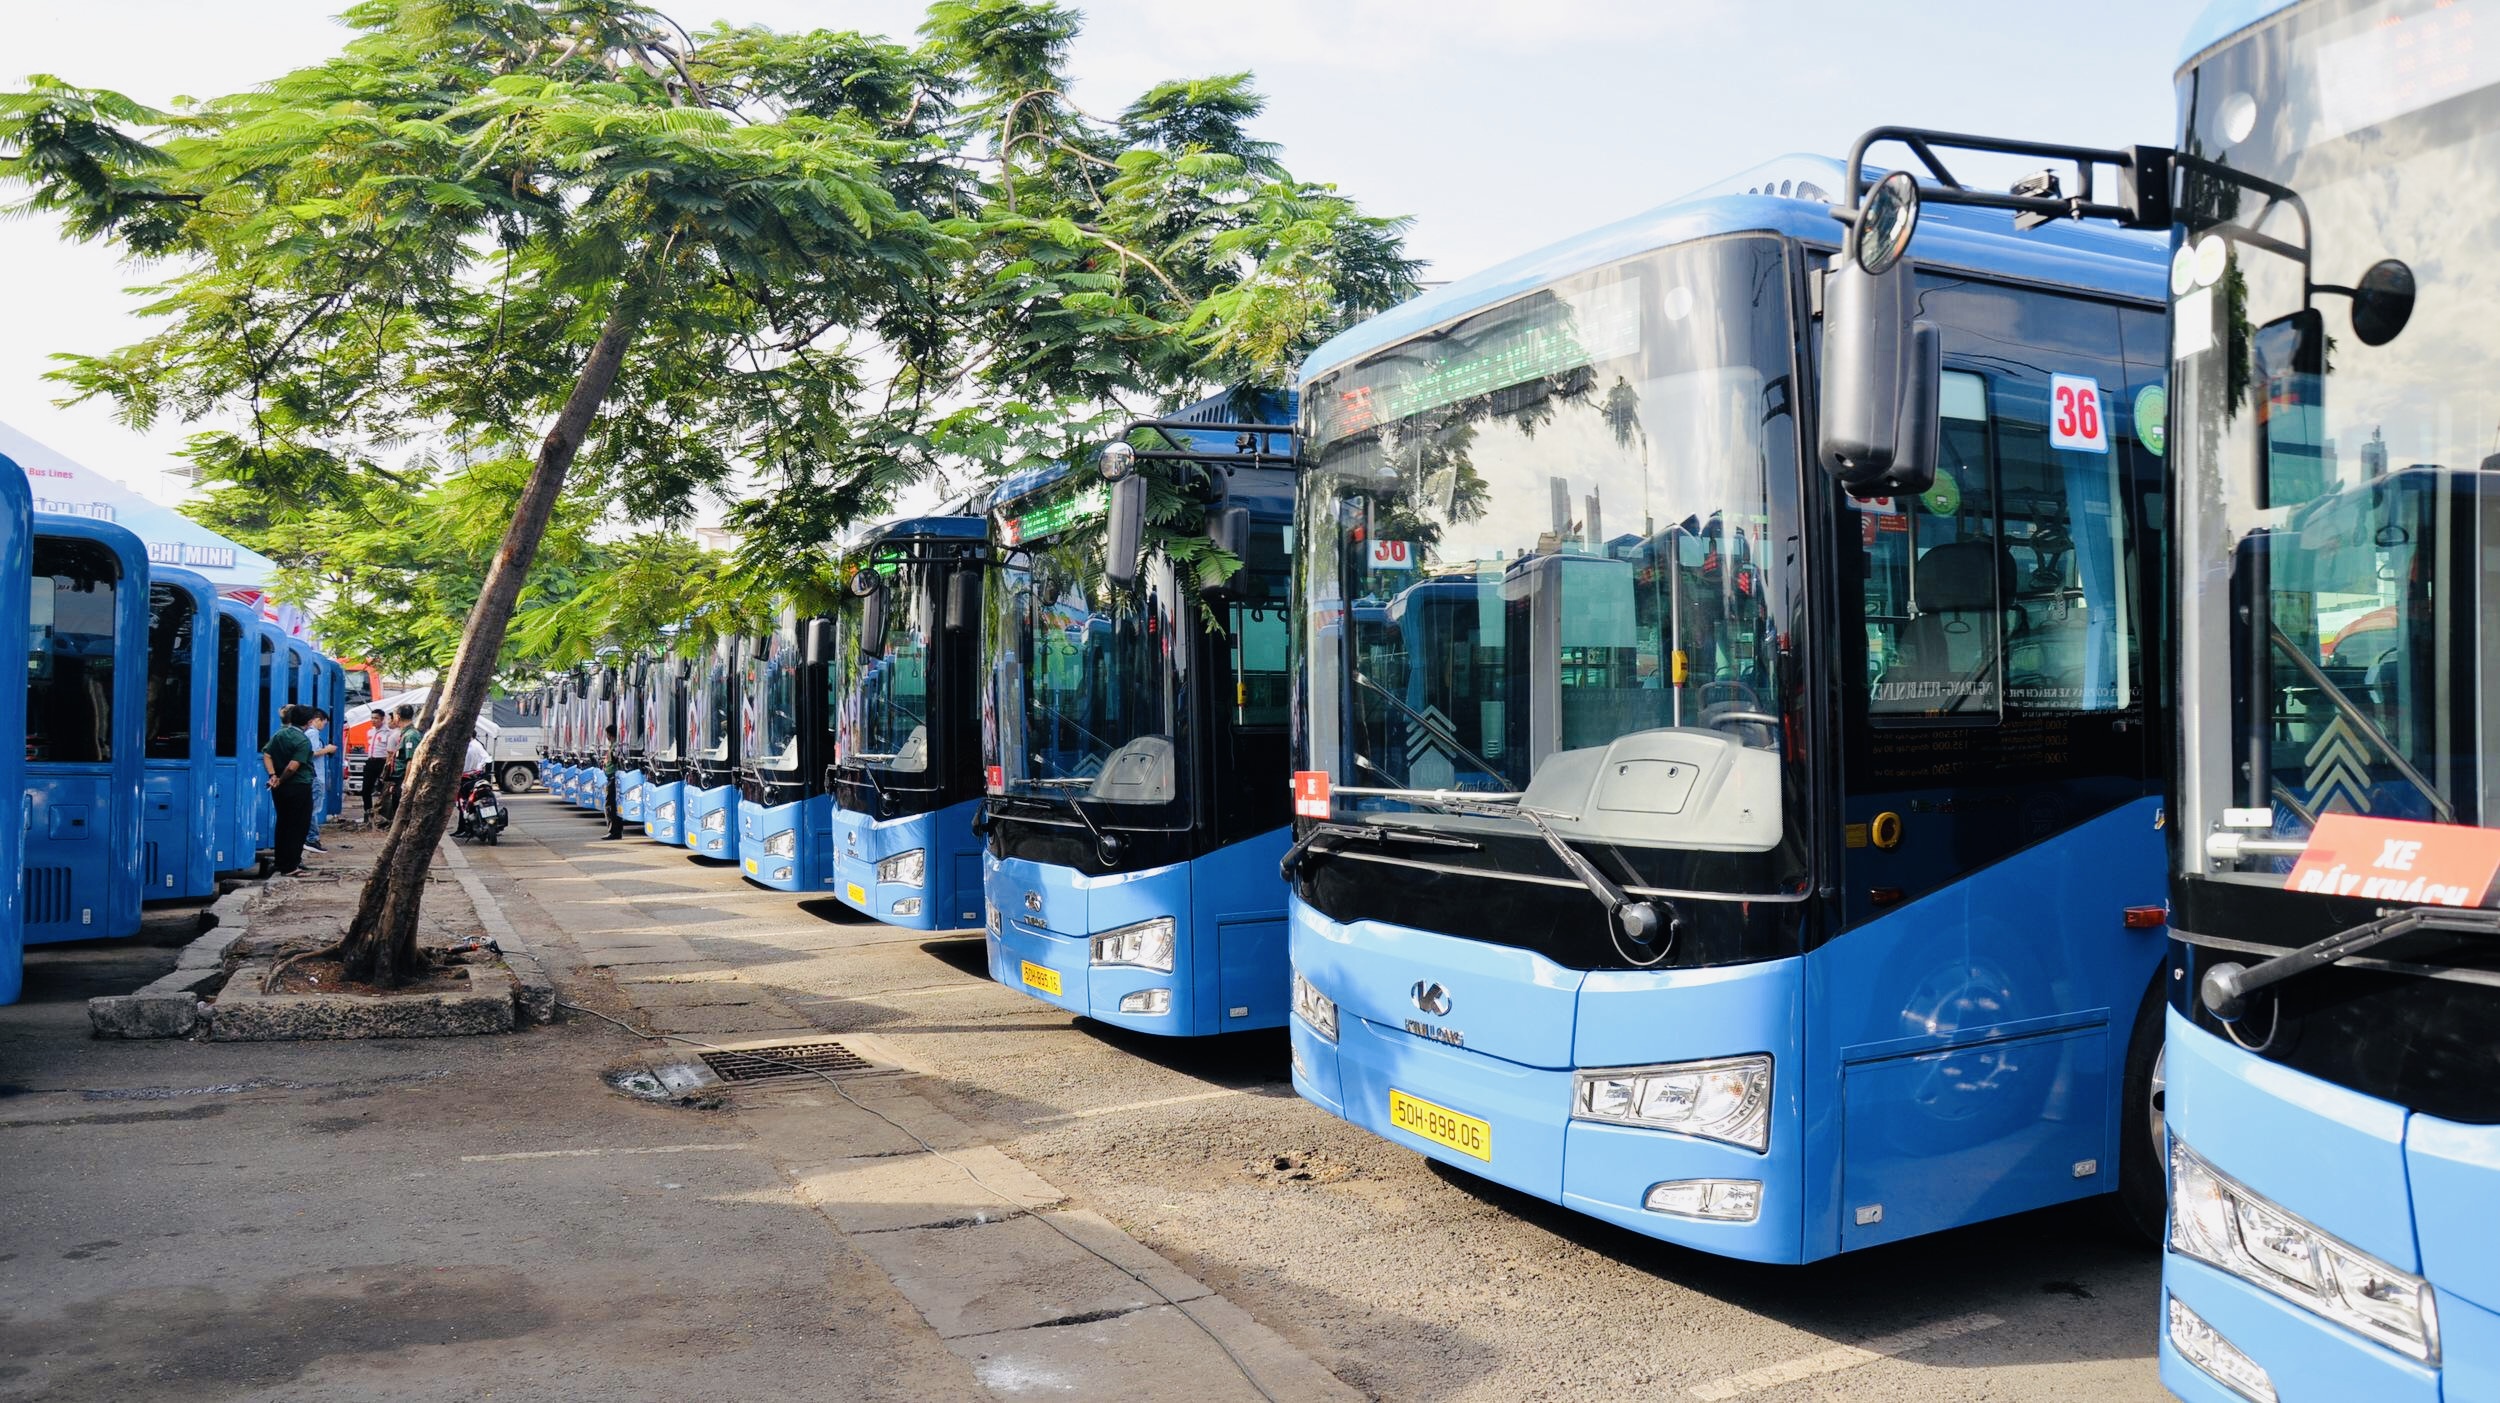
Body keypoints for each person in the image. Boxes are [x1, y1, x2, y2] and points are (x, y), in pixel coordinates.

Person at [261, 703, 317, 875]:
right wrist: (281, 779)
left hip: (279, 788)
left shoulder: (280, 734)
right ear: (308, 722)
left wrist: (273, 775)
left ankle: (281, 861)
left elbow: (267, 754)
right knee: (298, 826)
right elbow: (293, 767)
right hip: (298, 786)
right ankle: (291, 866)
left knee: (283, 823)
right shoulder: (302, 741)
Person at [303, 709, 337, 853]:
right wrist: (328, 749)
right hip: (316, 775)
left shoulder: (308, 733)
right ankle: (312, 838)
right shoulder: (313, 733)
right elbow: (312, 753)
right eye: (324, 723)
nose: (324, 726)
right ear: (318, 720)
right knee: (313, 808)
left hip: (315, 775)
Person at [359, 707, 395, 822]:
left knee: (384, 789)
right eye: (372, 718)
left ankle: (384, 814)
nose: (373, 720)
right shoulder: (370, 731)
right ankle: (368, 813)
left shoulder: (388, 732)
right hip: (370, 761)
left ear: (382, 719)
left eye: (376, 718)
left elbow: (390, 750)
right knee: (365, 789)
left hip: (382, 762)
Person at [601, 722, 624, 840]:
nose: (607, 737)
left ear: (610, 735)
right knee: (614, 805)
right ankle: (617, 831)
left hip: (613, 779)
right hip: (611, 778)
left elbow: (615, 760)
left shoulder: (615, 746)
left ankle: (613, 831)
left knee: (609, 805)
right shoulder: (613, 746)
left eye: (607, 734)